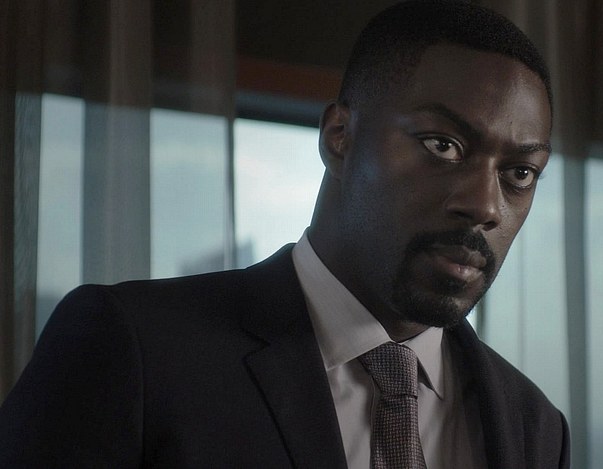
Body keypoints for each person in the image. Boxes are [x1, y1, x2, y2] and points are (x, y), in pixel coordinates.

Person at [0, 1, 570, 467]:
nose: (484, 206)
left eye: (520, 173)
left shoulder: (536, 427)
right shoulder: (133, 352)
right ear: (339, 137)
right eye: (442, 145)